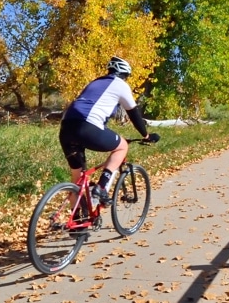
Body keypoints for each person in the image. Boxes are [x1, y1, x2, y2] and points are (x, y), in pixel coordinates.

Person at [58, 57, 156, 208]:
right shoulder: (120, 85)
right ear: (124, 74)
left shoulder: (95, 82)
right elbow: (134, 114)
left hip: (66, 127)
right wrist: (146, 135)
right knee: (122, 146)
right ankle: (101, 187)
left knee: (78, 178)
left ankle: (78, 224)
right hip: (87, 126)